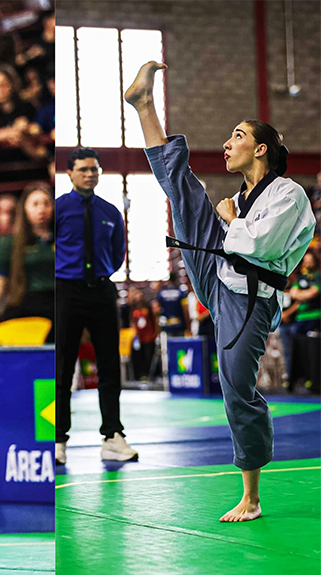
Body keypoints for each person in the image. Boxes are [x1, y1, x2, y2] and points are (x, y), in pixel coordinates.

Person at [126, 61, 315, 522]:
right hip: (218, 271)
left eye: (238, 136)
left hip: (249, 298)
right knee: (185, 192)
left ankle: (251, 497)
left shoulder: (288, 194)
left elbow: (263, 245)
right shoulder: (243, 197)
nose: (228, 144)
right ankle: (144, 105)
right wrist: (229, 217)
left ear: (261, 148)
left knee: (236, 385)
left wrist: (230, 219)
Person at [54, 147, 135, 467]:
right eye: (83, 169)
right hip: (66, 290)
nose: (90, 174)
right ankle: (58, 439)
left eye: (94, 169)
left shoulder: (110, 212)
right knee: (62, 367)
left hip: (101, 289)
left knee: (109, 365)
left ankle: (113, 436)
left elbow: (117, 254)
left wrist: (100, 276)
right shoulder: (59, 209)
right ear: (70, 173)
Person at [0, 183, 54, 347]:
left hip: (56, 308)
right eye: (35, 204)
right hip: (23, 306)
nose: (41, 209)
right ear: (24, 208)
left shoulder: (66, 241)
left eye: (46, 203)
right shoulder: (8, 243)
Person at [281, 250, 321, 389]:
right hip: (300, 320)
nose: (308, 263)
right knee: (292, 345)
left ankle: (312, 378)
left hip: (315, 318)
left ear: (315, 262)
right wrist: (304, 294)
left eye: (311, 261)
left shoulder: (318, 277)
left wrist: (301, 294)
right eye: (306, 261)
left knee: (313, 350)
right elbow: (293, 293)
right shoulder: (301, 278)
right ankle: (294, 377)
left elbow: (313, 292)